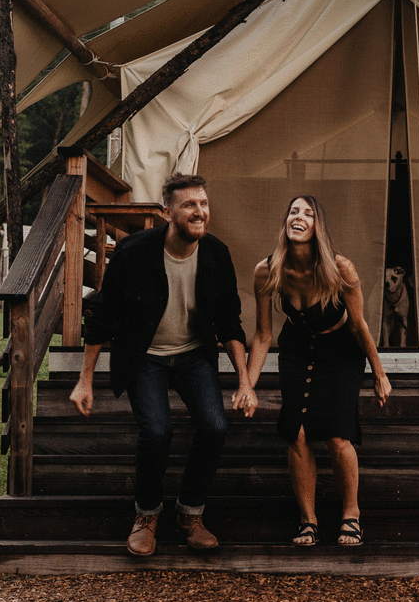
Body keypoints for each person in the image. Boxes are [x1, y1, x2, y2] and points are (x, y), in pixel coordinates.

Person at [70, 174, 258, 557]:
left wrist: (245, 381)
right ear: (167, 211)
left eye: (203, 203)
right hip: (144, 356)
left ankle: (190, 514)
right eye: (189, 205)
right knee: (156, 431)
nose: (199, 211)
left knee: (215, 425)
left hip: (192, 353)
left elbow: (229, 321)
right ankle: (147, 515)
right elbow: (102, 315)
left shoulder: (217, 254)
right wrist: (84, 381)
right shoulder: (134, 253)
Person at [247, 194, 391, 547]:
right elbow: (264, 335)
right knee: (296, 432)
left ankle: (351, 514)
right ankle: (307, 520)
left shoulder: (341, 268)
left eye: (308, 213)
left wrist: (379, 372)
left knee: (337, 433)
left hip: (340, 350)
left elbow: (359, 327)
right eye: (293, 211)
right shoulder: (267, 270)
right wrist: (247, 384)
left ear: (317, 227)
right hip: (297, 349)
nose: (299, 217)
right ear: (286, 223)